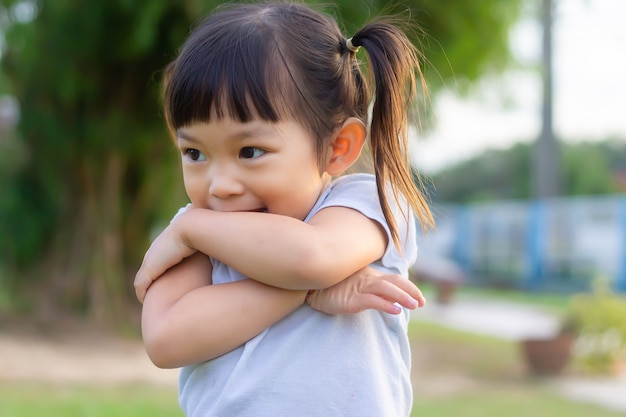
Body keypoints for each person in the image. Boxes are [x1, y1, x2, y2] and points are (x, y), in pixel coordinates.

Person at [134, 2, 435, 416]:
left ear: (338, 146)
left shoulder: (367, 204)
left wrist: (190, 230)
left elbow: (312, 257)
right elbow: (165, 339)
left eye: (250, 151)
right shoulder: (202, 230)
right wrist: (311, 292)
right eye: (194, 153)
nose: (220, 187)